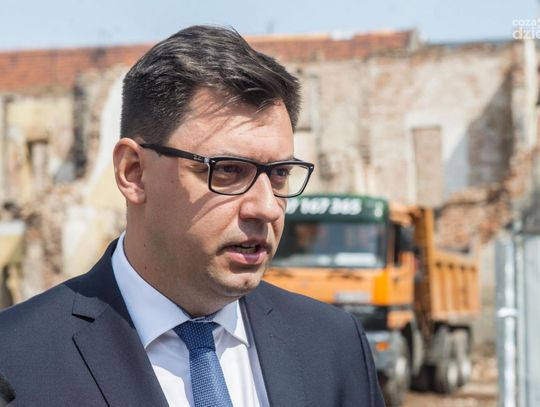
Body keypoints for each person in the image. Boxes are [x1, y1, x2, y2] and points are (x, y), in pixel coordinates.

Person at [0, 26, 384, 406]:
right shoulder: (15, 361)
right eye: (228, 170)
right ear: (134, 172)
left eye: (280, 173)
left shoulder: (333, 346)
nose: (267, 207)